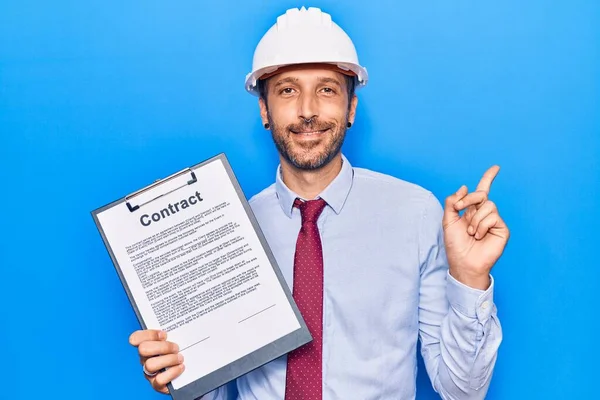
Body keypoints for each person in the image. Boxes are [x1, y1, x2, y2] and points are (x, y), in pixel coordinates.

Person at [128, 6, 509, 399]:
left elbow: (462, 391)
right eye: (288, 90)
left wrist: (469, 279)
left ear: (351, 108)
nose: (307, 111)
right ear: (264, 109)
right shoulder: (228, 230)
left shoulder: (415, 213)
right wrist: (185, 374)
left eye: (326, 89)